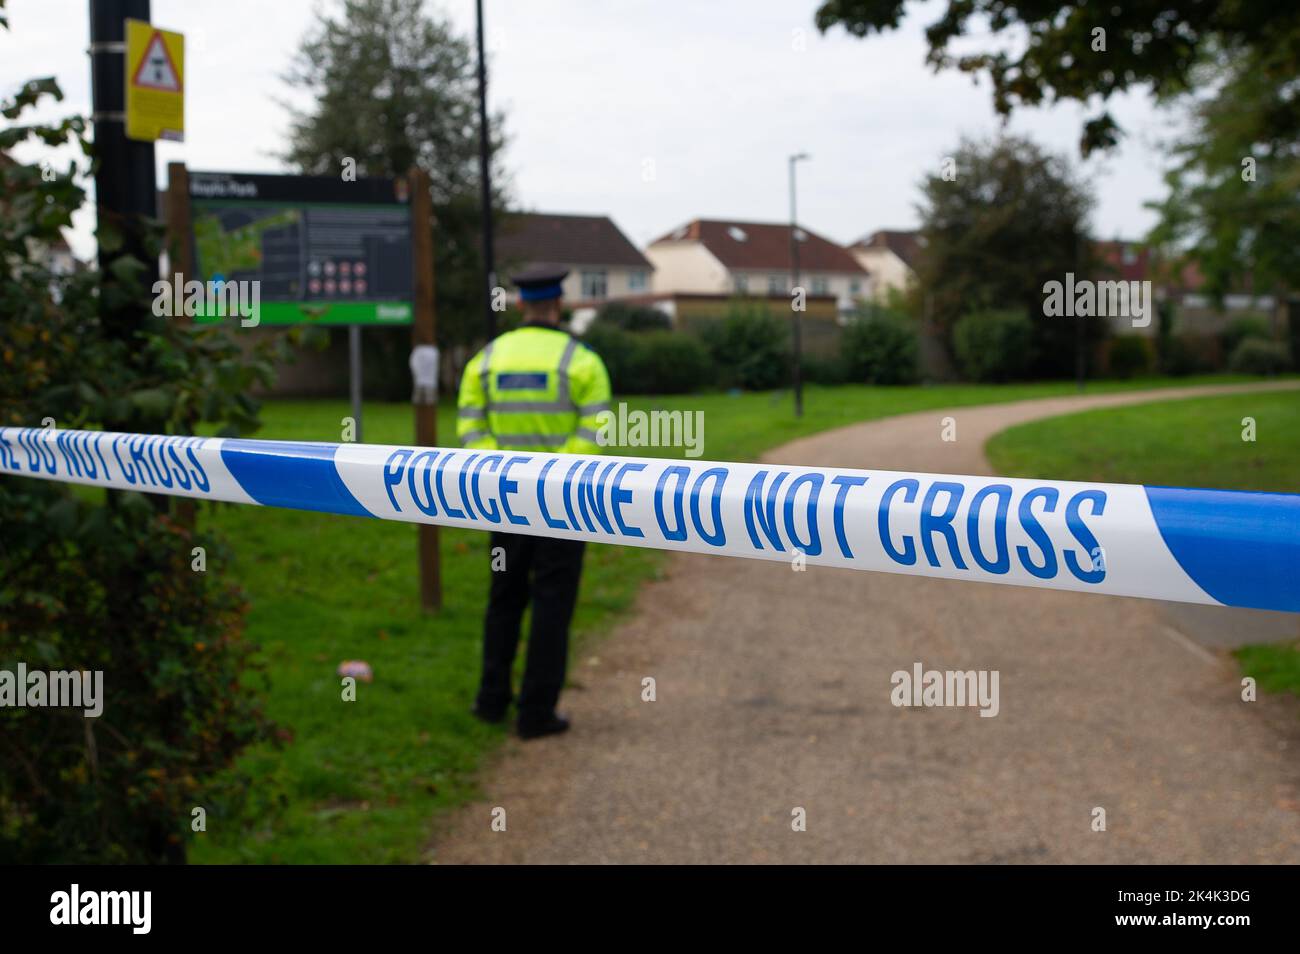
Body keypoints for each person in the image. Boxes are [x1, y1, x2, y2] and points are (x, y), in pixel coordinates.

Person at [456, 266, 612, 739]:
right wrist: (553, 477)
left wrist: (501, 475)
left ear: (521, 305)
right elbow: (595, 431)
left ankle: (490, 701)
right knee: (552, 605)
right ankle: (536, 713)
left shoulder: (484, 360)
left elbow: (470, 426)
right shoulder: (581, 361)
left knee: (503, 599)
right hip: (562, 503)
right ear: (558, 306)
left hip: (502, 500)